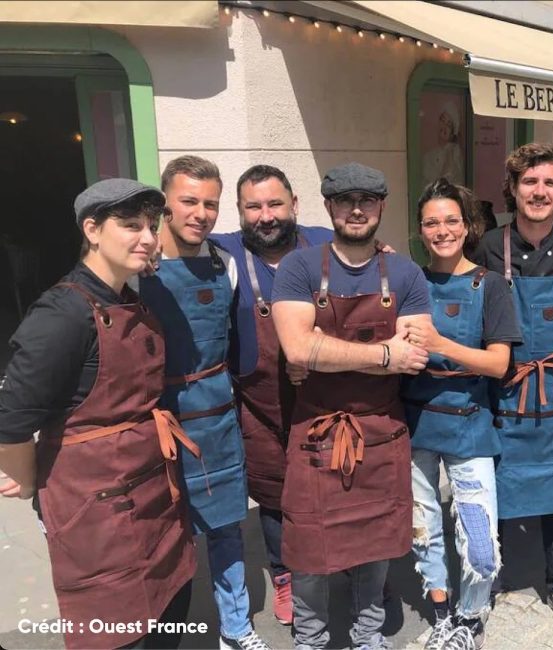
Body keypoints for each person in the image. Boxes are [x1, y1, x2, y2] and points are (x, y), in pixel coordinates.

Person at [0, 179, 196, 649]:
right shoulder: (62, 314)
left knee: (170, 609)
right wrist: (30, 484)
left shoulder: (129, 298)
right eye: (130, 225)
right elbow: (10, 421)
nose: (147, 237)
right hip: (96, 507)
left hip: (154, 492)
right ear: (92, 229)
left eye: (151, 225)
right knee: (114, 630)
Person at [272, 162, 431, 650]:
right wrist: (382, 353)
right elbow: (298, 351)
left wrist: (328, 350)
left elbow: (415, 356)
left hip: (382, 434)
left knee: (376, 545)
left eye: (366, 200)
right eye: (345, 200)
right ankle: (311, 638)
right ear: (329, 207)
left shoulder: (405, 273)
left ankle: (368, 636)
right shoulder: (299, 267)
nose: (356, 209)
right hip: (317, 432)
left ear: (381, 206)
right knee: (308, 549)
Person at [138, 156, 270, 650]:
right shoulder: (138, 269)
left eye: (210, 203)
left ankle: (236, 629)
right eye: (189, 200)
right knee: (164, 536)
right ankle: (164, 633)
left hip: (217, 418)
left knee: (226, 528)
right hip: (159, 422)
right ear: (165, 203)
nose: (200, 212)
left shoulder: (226, 263)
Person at [472, 142, 553, 642]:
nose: (539, 191)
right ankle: (487, 583)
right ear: (513, 188)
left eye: (549, 183)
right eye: (529, 182)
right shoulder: (487, 248)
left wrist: (550, 362)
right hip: (503, 393)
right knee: (493, 491)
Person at [209, 165, 332, 626]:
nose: (266, 215)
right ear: (239, 212)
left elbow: (377, 259)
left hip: (323, 400)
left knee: (335, 487)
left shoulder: (324, 243)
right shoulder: (223, 252)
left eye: (274, 203)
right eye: (253, 206)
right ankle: (284, 576)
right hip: (259, 407)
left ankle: (349, 565)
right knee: (274, 496)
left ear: (294, 204)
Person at [401, 179, 521, 650]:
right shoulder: (409, 281)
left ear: (468, 225)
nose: (442, 230)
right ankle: (441, 612)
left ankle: (471, 617)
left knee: (478, 537)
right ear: (420, 229)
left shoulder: (489, 285)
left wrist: (441, 346)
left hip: (470, 422)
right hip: (414, 423)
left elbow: (498, 363)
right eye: (431, 221)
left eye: (452, 220)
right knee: (422, 524)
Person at [423, 102, 465, 186]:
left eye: (449, 124)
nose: (444, 127)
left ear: (453, 131)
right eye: (442, 121)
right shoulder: (429, 156)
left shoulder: (458, 155)